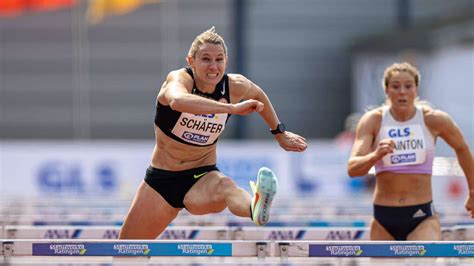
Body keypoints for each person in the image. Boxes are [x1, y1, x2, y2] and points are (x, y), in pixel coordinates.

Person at [119, 27, 307, 239]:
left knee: (226, 186)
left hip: (202, 176)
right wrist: (230, 109)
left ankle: (255, 208)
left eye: (219, 59)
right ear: (191, 60)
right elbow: (177, 101)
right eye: (206, 59)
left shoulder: (234, 86)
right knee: (127, 251)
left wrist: (279, 133)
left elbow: (258, 94)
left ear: (226, 61)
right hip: (160, 182)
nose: (213, 67)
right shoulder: (179, 79)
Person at [347, 62, 473, 241]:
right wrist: (375, 155)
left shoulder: (433, 120)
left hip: (422, 216)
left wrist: (473, 192)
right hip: (383, 218)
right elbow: (353, 169)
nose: (402, 92)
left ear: (416, 90)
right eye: (395, 86)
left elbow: (462, 149)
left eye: (408, 86)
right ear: (386, 91)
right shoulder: (373, 120)